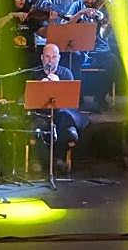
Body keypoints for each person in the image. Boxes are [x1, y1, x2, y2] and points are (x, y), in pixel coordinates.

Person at [28, 43, 87, 171]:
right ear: (42, 57)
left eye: (54, 57)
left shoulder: (66, 73)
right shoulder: (34, 74)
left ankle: (59, 158)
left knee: (65, 122)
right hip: (41, 113)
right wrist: (40, 88)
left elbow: (71, 100)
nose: (50, 61)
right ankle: (39, 161)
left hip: (60, 113)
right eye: (47, 57)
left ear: (59, 58)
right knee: (37, 126)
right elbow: (28, 101)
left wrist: (58, 84)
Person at [64, 0, 118, 111]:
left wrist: (109, 22)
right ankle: (78, 98)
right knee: (73, 60)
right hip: (79, 47)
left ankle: (100, 97)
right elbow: (65, 25)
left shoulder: (102, 7)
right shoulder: (76, 5)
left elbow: (105, 33)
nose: (89, 0)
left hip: (99, 48)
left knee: (114, 63)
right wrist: (81, 13)